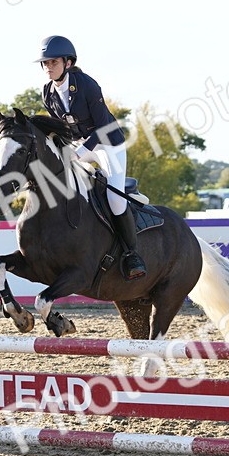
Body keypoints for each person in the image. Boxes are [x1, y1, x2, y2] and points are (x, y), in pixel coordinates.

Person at [36, 35, 146, 280]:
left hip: (108, 146)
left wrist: (80, 152)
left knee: (115, 199)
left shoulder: (87, 85)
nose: (48, 67)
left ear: (68, 63)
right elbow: (59, 128)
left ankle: (132, 254)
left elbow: (103, 126)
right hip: (79, 145)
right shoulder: (47, 92)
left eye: (53, 62)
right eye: (45, 63)